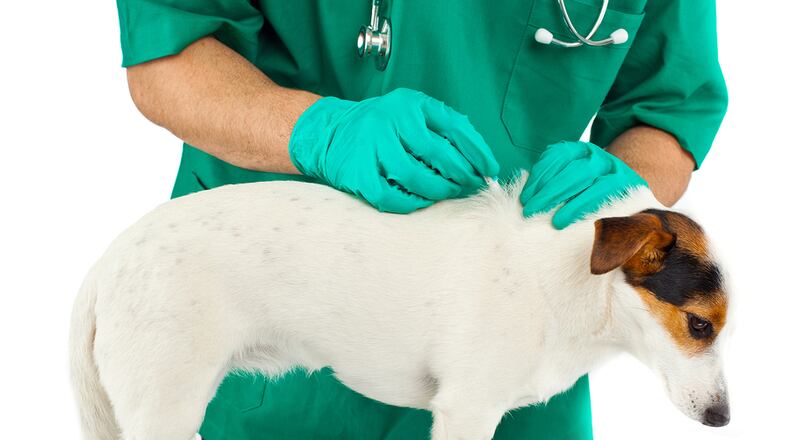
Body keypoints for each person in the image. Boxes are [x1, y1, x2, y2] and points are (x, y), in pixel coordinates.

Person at [116, 0, 727, 438]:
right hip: (264, 309)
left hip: (525, 345)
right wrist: (314, 131)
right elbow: (168, 47)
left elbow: (672, 104)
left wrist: (623, 188)